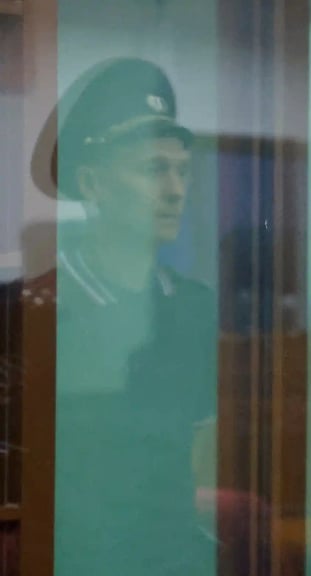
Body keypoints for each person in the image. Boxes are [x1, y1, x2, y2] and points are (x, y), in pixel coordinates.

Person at [1, 58, 218, 575]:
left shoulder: (191, 306)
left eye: (182, 170)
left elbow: (198, 456)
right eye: (153, 169)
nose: (175, 189)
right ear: (93, 184)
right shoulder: (31, 308)